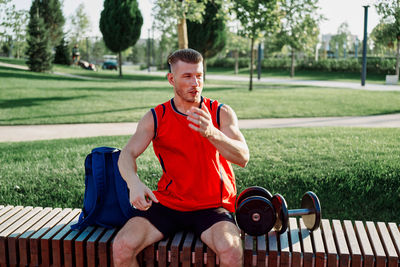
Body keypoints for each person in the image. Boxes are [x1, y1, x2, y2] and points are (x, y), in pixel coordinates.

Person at [114, 48, 250, 267]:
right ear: (171, 79)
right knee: (122, 245)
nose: (195, 83)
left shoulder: (220, 113)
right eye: (187, 76)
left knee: (232, 251)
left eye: (199, 76)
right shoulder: (156, 117)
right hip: (169, 203)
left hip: (212, 206)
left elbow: (243, 157)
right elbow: (126, 154)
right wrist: (134, 183)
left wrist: (212, 133)